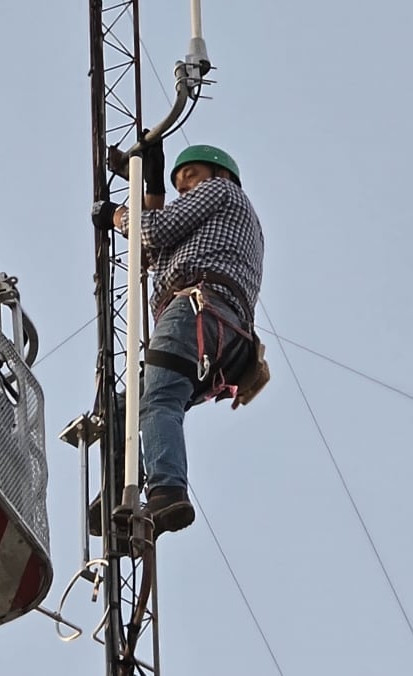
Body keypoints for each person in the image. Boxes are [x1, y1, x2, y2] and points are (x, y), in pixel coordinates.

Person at [92, 141, 267, 536]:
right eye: (178, 179)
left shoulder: (221, 191)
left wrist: (114, 214)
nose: (184, 184)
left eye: (191, 175)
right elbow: (153, 251)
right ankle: (123, 486)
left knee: (157, 400)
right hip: (225, 335)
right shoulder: (222, 217)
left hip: (198, 309)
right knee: (125, 406)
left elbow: (151, 231)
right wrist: (152, 188)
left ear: (220, 174)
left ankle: (167, 490)